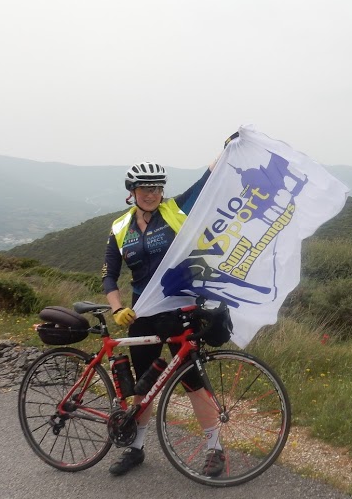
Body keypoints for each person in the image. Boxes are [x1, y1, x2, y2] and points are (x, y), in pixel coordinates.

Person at [101, 158, 225, 477]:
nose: (151, 194)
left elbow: (206, 181)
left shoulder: (175, 210)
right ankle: (135, 447)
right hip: (141, 313)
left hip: (180, 310)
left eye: (156, 188)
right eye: (144, 188)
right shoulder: (120, 228)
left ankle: (215, 449)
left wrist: (229, 148)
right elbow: (109, 276)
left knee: (192, 381)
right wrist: (117, 308)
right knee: (144, 384)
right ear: (132, 191)